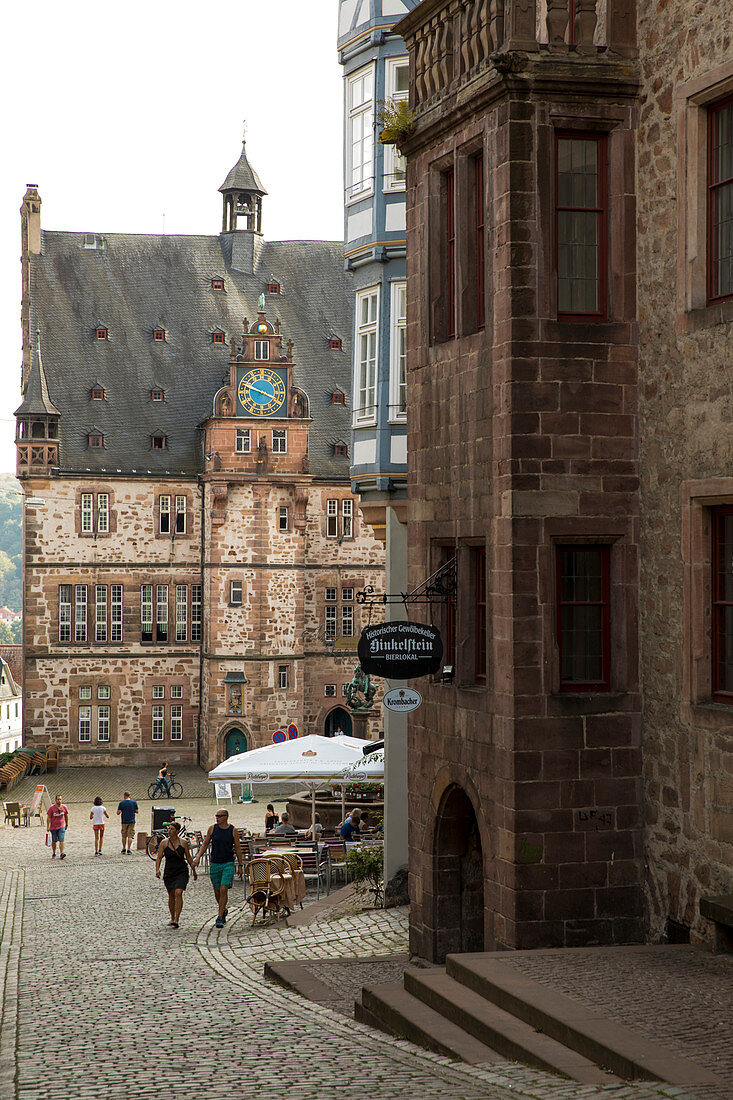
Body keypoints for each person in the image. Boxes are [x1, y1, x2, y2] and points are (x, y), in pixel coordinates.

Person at [194, 809, 243, 928]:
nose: (217, 818)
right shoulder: (212, 829)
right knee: (217, 891)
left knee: (223, 888)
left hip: (228, 863)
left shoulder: (233, 830)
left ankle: (220, 916)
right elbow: (205, 844)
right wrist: (198, 856)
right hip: (215, 863)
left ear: (226, 817)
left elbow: (237, 848)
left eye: (220, 816)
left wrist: (240, 865)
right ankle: (223, 909)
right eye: (216, 816)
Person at [155, 821, 197, 928]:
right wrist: (157, 869)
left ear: (177, 831)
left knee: (178, 892)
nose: (169, 831)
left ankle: (177, 919)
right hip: (169, 872)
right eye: (169, 829)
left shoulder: (183, 842)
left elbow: (188, 857)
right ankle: (172, 917)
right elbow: (159, 857)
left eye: (172, 829)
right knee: (171, 895)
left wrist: (194, 871)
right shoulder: (164, 843)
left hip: (181, 871)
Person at [46, 794, 69, 859]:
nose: (59, 801)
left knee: (61, 840)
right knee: (54, 841)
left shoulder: (64, 807)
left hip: (61, 826)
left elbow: (66, 816)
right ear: (55, 800)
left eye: (60, 799)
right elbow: (49, 817)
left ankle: (62, 853)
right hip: (53, 827)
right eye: (58, 799)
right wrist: (48, 826)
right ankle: (54, 852)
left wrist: (66, 824)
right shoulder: (51, 808)